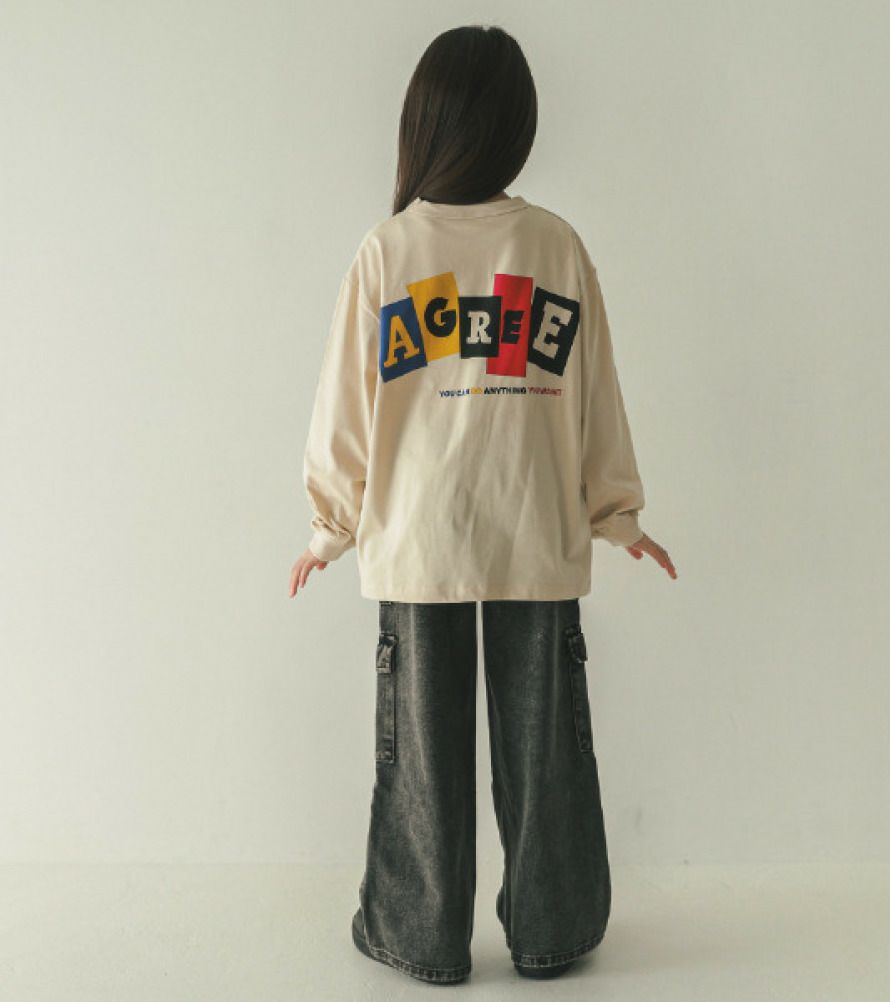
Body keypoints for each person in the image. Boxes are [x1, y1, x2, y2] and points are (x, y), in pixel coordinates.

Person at [288, 23, 677, 986]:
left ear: (423, 123)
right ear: (516, 127)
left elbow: (343, 410)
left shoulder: (389, 251)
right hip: (534, 536)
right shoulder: (552, 246)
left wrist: (332, 525)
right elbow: (595, 396)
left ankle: (418, 936)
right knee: (547, 755)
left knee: (420, 760)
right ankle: (554, 933)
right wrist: (615, 510)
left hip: (417, 542)